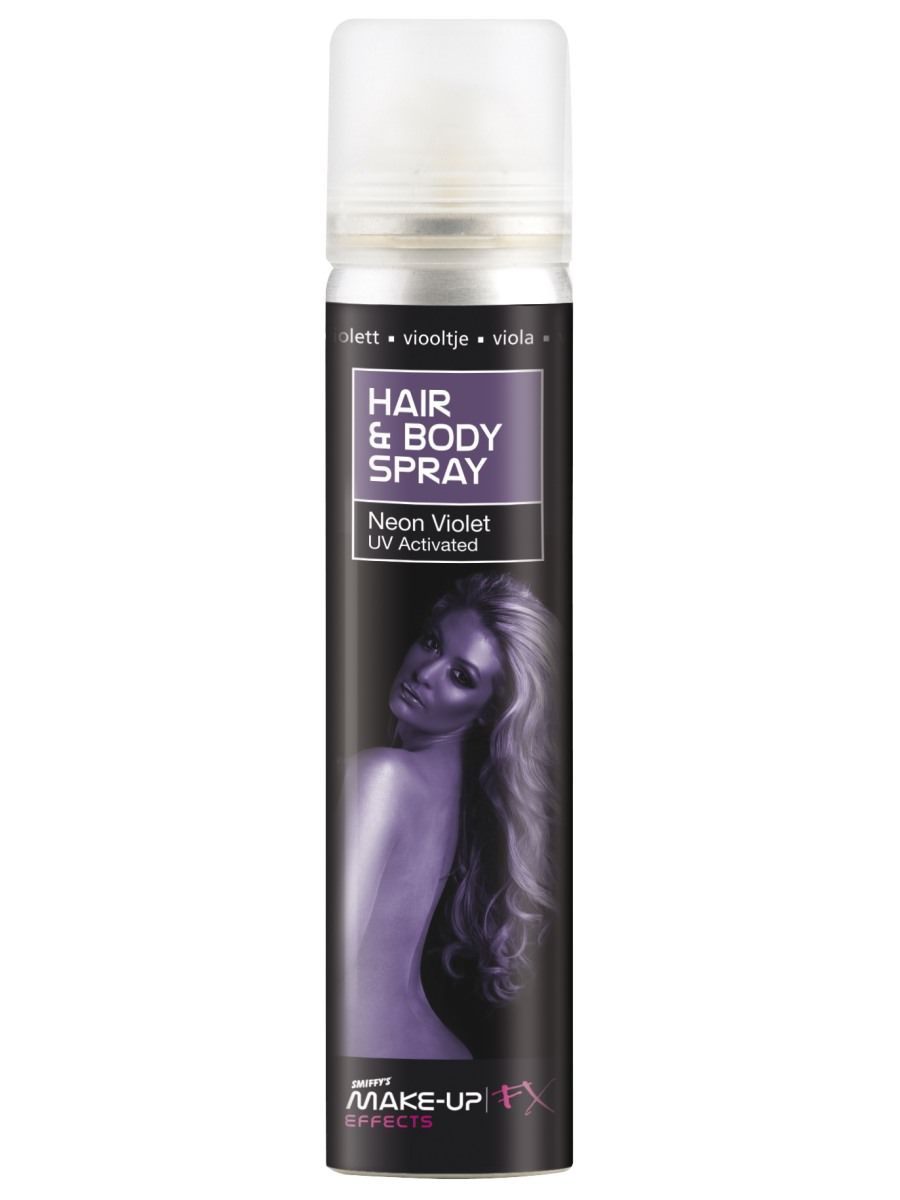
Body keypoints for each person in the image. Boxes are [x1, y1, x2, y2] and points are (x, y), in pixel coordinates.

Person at [339, 571, 560, 1059]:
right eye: (431, 643)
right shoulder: (448, 796)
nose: (426, 672)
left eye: (462, 677)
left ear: (488, 711)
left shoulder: (382, 777)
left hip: (368, 1065)